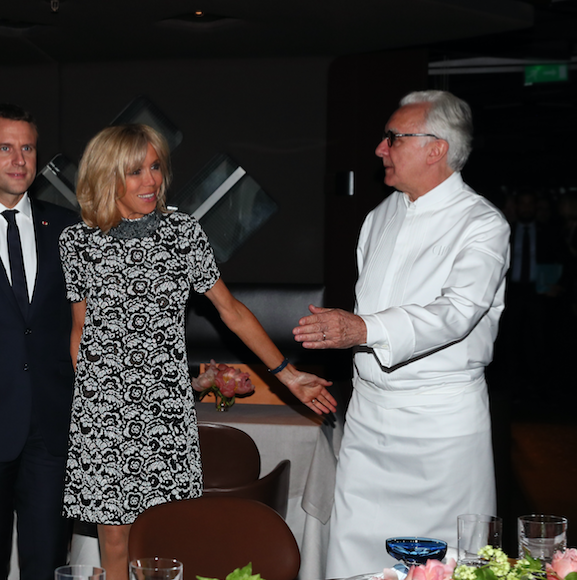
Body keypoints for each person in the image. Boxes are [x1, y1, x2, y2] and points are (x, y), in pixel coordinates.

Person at [58, 123, 337, 580]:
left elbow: (232, 312)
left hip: (166, 409)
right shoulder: (78, 242)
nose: (151, 181)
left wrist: (288, 374)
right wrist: (88, 408)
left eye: (155, 167)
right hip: (103, 411)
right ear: (107, 177)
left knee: (167, 535)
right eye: (135, 172)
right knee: (112, 536)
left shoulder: (181, 233)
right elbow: (80, 332)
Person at [292, 90, 511, 578]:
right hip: (368, 424)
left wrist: (362, 328)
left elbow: (457, 312)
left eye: (393, 138)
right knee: (355, 558)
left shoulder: (482, 224)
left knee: (448, 563)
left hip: (441, 430)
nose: (379, 149)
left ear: (436, 149)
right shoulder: (379, 217)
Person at [0, 104, 76, 580]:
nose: (19, 159)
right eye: (5, 147)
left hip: (51, 426)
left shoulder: (67, 227)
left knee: (45, 561)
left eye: (27, 147)